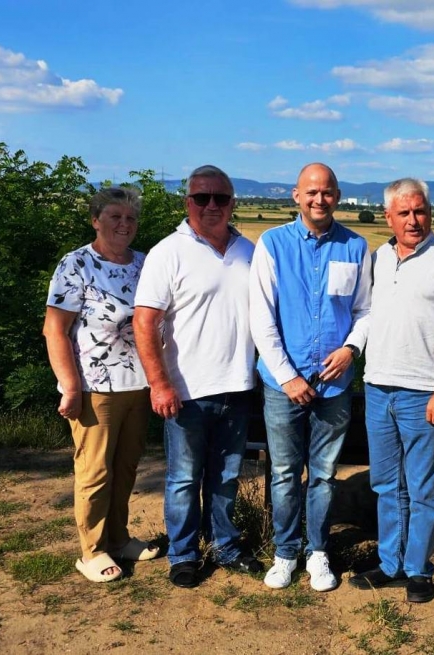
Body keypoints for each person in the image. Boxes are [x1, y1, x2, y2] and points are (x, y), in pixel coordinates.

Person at [349, 178, 434, 603]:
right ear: (388, 216)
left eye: (420, 211)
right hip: (377, 388)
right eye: (404, 213)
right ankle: (390, 564)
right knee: (387, 484)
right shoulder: (380, 259)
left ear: (431, 212)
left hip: (424, 392)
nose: (413, 219)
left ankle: (419, 569)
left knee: (423, 486)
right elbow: (368, 314)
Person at [133, 165, 262, 589]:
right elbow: (145, 322)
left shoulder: (249, 251)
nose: (211, 206)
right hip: (185, 390)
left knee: (226, 477)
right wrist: (159, 382)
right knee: (184, 479)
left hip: (238, 386)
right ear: (187, 202)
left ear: (232, 203)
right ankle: (184, 553)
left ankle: (224, 546)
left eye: (220, 198)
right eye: (202, 198)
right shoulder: (167, 252)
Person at [250, 163, 371, 592]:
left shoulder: (356, 247)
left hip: (334, 383)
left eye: (328, 192)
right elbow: (260, 318)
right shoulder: (272, 244)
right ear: (296, 196)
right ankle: (286, 553)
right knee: (284, 472)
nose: (320, 199)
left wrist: (351, 347)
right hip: (284, 383)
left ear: (338, 196)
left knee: (322, 474)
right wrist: (287, 377)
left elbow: (365, 311)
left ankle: (317, 551)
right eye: (312, 192)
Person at [43, 186, 159, 583]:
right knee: (95, 471)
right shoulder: (76, 264)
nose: (124, 224)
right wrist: (69, 386)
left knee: (126, 467)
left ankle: (119, 536)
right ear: (96, 220)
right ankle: (92, 551)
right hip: (95, 386)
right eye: (114, 216)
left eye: (130, 218)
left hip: (141, 384)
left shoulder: (145, 264)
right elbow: (54, 330)